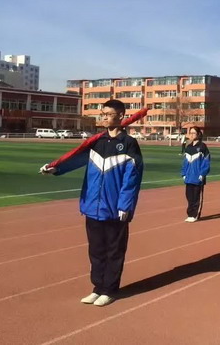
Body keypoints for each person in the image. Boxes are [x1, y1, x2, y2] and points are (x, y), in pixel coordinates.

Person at [39, 99, 143, 307]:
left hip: (114, 209)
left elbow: (132, 177)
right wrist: (56, 169)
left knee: (114, 251)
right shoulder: (96, 141)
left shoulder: (129, 144)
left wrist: (125, 205)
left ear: (121, 116)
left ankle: (110, 289)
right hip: (92, 206)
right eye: (102, 114)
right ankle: (97, 287)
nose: (104, 117)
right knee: (96, 251)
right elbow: (76, 159)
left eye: (108, 114)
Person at [181, 126, 210, 222]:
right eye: (191, 133)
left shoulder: (202, 147)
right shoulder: (188, 147)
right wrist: (184, 173)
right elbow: (185, 162)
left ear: (198, 134)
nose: (192, 135)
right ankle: (190, 214)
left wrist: (202, 174)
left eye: (194, 133)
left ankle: (195, 215)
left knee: (196, 196)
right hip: (189, 177)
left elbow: (206, 161)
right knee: (189, 197)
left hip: (198, 177)